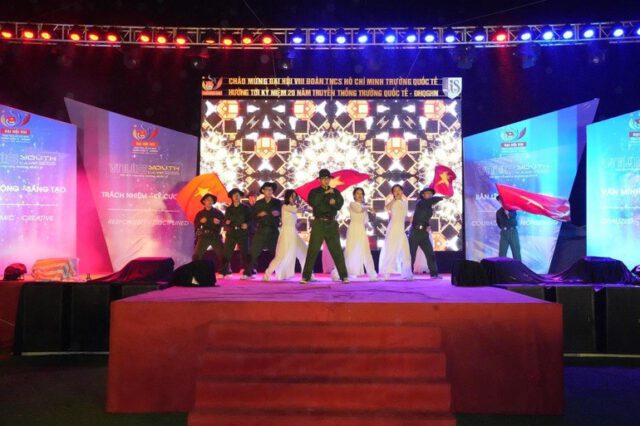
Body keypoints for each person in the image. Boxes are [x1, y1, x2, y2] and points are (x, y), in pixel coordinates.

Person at [301, 169, 349, 284]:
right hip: (319, 222)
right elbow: (313, 202)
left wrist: (334, 202)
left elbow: (339, 204)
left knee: (337, 250)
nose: (326, 180)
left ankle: (344, 276)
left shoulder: (335, 191)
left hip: (331, 223)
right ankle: (306, 276)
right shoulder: (314, 192)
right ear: (319, 180)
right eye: (323, 178)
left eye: (327, 178)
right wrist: (325, 193)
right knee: (313, 250)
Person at [263, 190, 309, 281]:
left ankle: (307, 275)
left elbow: (294, 217)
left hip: (294, 233)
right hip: (286, 234)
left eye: (295, 196)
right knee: (280, 256)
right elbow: (296, 210)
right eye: (292, 196)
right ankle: (267, 274)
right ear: (287, 197)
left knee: (304, 251)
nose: (294, 198)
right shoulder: (285, 206)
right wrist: (304, 207)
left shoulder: (292, 207)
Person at [244, 182, 282, 279]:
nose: (269, 191)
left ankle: (281, 272)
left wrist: (277, 213)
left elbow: (280, 213)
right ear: (263, 191)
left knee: (277, 252)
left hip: (273, 231)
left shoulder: (277, 202)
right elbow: (253, 216)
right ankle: (248, 272)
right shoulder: (258, 203)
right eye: (267, 189)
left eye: (271, 190)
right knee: (253, 252)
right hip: (261, 230)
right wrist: (259, 215)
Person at [379, 184, 413, 280]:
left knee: (405, 251)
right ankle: (386, 273)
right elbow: (386, 208)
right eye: (395, 191)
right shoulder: (393, 202)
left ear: (402, 191)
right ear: (393, 193)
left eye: (399, 190)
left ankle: (407, 273)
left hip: (401, 229)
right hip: (393, 228)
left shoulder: (405, 202)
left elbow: (404, 216)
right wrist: (394, 199)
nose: (397, 192)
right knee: (391, 250)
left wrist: (411, 218)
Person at [409, 187, 444, 278]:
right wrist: (442, 197)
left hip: (424, 233)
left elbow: (425, 218)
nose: (429, 195)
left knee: (430, 253)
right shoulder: (420, 203)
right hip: (415, 232)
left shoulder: (429, 207)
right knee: (412, 254)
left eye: (431, 193)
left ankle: (434, 273)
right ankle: (408, 273)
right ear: (423, 195)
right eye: (427, 193)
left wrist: (427, 226)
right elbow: (430, 201)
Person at [344, 187, 377, 280]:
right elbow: (358, 209)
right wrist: (369, 207)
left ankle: (372, 274)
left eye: (361, 193)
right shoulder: (352, 204)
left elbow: (365, 221)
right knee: (351, 251)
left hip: (361, 230)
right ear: (354, 195)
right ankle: (342, 272)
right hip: (353, 229)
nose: (360, 195)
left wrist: (369, 226)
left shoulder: (364, 207)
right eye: (357, 193)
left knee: (366, 251)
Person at [221, 188, 251, 276]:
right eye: (234, 195)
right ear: (232, 197)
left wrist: (247, 224)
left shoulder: (246, 208)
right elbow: (225, 221)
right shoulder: (228, 209)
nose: (236, 197)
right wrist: (226, 222)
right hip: (231, 233)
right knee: (226, 253)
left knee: (245, 253)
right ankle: (224, 271)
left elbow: (251, 220)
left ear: (241, 196)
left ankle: (247, 272)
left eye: (238, 195)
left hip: (242, 233)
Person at [193, 194, 225, 271]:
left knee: (222, 254)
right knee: (196, 255)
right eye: (207, 200)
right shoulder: (200, 213)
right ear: (204, 201)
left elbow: (225, 223)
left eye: (211, 200)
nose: (209, 201)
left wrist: (219, 222)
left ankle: (225, 270)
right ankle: (196, 270)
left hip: (215, 236)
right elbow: (196, 225)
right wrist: (200, 222)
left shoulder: (218, 212)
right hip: (204, 236)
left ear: (213, 202)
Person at [496, 195, 522, 261]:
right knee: (502, 254)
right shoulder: (498, 212)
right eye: (499, 200)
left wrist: (508, 213)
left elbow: (513, 216)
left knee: (516, 254)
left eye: (502, 200)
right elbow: (498, 223)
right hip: (504, 233)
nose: (501, 201)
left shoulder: (512, 209)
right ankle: (501, 267)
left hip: (513, 232)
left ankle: (518, 267)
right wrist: (504, 228)